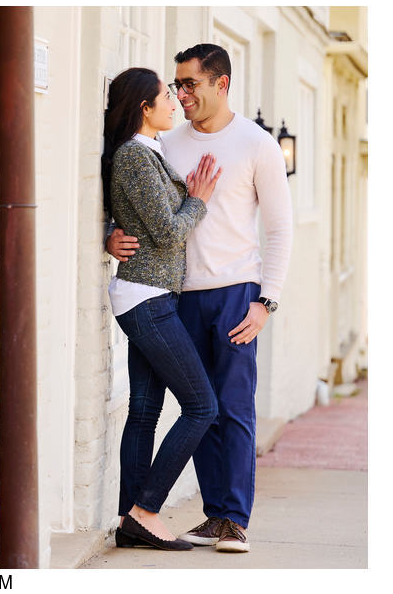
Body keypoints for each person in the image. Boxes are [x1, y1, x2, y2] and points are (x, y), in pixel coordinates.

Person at [107, 44, 294, 553]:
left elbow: (279, 229)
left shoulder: (257, 145)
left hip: (236, 292)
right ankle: (211, 515)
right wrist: (110, 233)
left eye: (190, 84)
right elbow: (134, 197)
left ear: (221, 84)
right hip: (175, 296)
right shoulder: (167, 141)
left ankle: (234, 519)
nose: (182, 93)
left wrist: (267, 300)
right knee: (198, 407)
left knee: (232, 407)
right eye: (177, 85)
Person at [102, 67, 222, 551]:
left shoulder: (150, 152)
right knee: (202, 406)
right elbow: (168, 231)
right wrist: (197, 200)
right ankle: (146, 509)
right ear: (143, 109)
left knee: (146, 410)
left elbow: (141, 219)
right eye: (166, 97)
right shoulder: (134, 156)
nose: (175, 102)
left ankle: (132, 521)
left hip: (150, 296)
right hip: (147, 299)